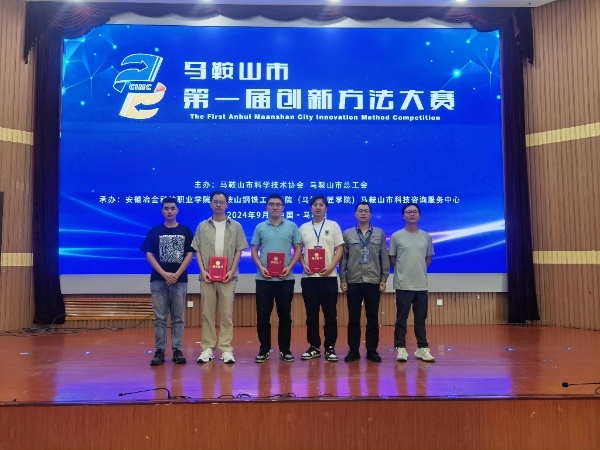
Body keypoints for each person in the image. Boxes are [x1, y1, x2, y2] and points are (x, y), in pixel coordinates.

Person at [192, 191, 248, 365]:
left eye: (221, 202)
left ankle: (226, 349)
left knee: (226, 314)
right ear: (210, 204)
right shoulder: (202, 226)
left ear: (227, 205)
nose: (218, 205)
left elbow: (239, 250)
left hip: (227, 277)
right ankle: (207, 348)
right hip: (207, 277)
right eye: (215, 202)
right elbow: (197, 250)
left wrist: (232, 270)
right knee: (207, 314)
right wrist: (203, 271)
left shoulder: (236, 226)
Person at [141, 197, 194, 366]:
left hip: (179, 281)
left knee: (178, 317)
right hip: (158, 280)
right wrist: (164, 274)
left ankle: (178, 350)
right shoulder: (155, 231)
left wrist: (176, 274)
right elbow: (149, 254)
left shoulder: (186, 231)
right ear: (162, 211)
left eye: (172, 208)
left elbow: (190, 254)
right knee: (160, 318)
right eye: (166, 208)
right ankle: (160, 351)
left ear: (177, 210)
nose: (169, 211)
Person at [251, 194, 302, 363]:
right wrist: (261, 267)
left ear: (283, 207)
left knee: (285, 316)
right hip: (263, 279)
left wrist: (290, 267)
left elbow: (298, 249)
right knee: (263, 316)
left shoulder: (292, 226)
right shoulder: (260, 227)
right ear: (266, 206)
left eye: (278, 204)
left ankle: (285, 350)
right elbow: (254, 250)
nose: (274, 207)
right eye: (271, 204)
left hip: (285, 279)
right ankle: (264, 349)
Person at [340, 201, 389, 363]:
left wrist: (384, 278)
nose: (363, 213)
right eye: (360, 211)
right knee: (353, 318)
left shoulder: (379, 233)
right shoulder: (348, 234)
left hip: (373, 281)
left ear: (370, 214)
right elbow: (344, 258)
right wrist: (343, 279)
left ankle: (372, 351)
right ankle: (353, 351)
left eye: (366, 211)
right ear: (355, 214)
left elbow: (383, 257)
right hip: (353, 281)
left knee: (372, 318)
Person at [299, 195, 344, 362]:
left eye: (321, 205)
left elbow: (340, 248)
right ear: (311, 208)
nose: (318, 207)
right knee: (311, 315)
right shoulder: (303, 227)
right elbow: (297, 250)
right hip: (309, 278)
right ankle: (314, 346)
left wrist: (332, 267)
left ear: (326, 208)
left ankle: (330, 347)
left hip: (328, 277)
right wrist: (303, 264)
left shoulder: (333, 225)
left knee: (330, 314)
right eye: (315, 205)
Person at [388, 203, 435, 362]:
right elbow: (392, 258)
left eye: (415, 212)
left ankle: (422, 348)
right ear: (403, 216)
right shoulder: (396, 236)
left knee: (420, 318)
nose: (412, 214)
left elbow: (428, 258)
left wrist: (417, 270)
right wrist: (403, 271)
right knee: (401, 318)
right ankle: (400, 348)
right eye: (408, 212)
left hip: (421, 284)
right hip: (403, 283)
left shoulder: (426, 236)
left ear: (419, 215)